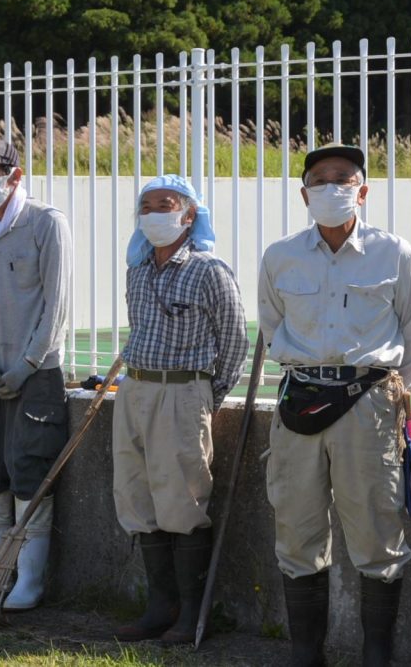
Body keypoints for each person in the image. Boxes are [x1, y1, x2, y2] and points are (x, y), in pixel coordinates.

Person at [258, 144, 411, 666]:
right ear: (304, 192)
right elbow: (273, 325)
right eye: (320, 178)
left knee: (377, 530)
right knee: (296, 527)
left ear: (363, 189)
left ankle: (377, 652)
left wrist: (395, 396)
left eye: (343, 178)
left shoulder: (394, 253)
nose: (331, 186)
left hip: (369, 403)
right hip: (300, 401)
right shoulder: (280, 255)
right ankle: (306, 653)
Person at [112, 175, 249, 644]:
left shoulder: (209, 271)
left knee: (183, 501)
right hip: (135, 391)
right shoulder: (139, 269)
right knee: (136, 495)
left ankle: (192, 613)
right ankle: (159, 607)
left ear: (189, 214)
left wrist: (205, 398)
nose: (153, 214)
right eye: (145, 206)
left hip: (181, 393)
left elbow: (234, 341)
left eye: (164, 204)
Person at [0, 139, 73, 610]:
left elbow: (56, 304)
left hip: (38, 373)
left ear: (15, 175)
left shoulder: (47, 223)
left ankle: (28, 582)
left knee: (30, 470)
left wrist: (26, 365)